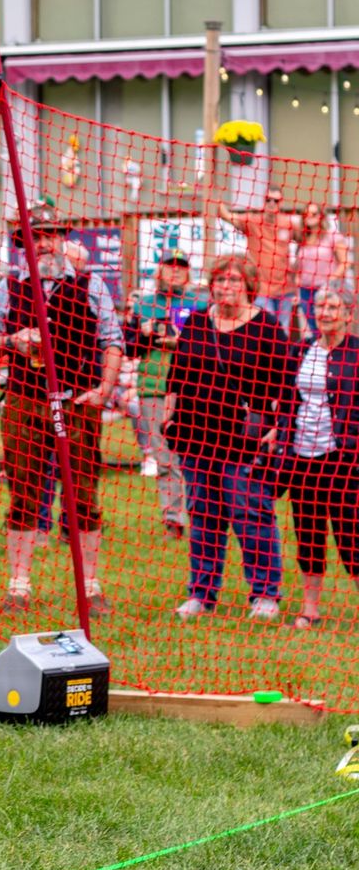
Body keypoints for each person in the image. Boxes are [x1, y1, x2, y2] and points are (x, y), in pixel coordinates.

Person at [0, 205, 122, 618]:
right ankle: (18, 586)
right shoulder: (9, 287)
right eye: (36, 237)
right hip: (24, 400)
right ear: (25, 244)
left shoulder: (92, 285)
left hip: (77, 401)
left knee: (84, 498)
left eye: (52, 235)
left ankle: (90, 588)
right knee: (22, 494)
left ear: (64, 239)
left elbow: (113, 341)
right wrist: (13, 339)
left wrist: (104, 390)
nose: (44, 244)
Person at [164, 253, 294, 620]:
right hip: (195, 436)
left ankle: (265, 594)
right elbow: (177, 375)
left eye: (234, 280)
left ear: (249, 286)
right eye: (221, 280)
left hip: (244, 441)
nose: (226, 287)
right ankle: (201, 595)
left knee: (250, 513)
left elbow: (286, 385)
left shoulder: (267, 327)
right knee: (202, 515)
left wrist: (276, 426)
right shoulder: (196, 324)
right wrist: (170, 417)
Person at [282, 281, 359, 629]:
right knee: (308, 531)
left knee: (350, 533)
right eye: (321, 307)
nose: (325, 313)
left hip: (343, 457)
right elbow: (287, 398)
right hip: (303, 454)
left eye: (333, 307)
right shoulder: (302, 349)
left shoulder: (356, 353)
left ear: (348, 313)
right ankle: (310, 608)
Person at [122, 248, 202, 538]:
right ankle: (174, 519)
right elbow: (128, 348)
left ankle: (203, 516)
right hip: (154, 386)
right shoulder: (144, 304)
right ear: (160, 270)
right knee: (166, 457)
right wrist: (142, 335)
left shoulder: (201, 303)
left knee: (196, 457)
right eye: (171, 266)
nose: (176, 271)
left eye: (181, 266)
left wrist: (183, 341)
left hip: (194, 387)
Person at [219, 187, 299, 334]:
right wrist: (215, 191)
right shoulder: (252, 221)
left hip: (285, 289)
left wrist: (296, 268)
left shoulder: (289, 224)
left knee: (283, 331)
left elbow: (307, 241)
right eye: (268, 200)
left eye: (276, 201)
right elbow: (225, 215)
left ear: (281, 203)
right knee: (266, 330)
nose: (271, 204)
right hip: (262, 290)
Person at [294, 203, 349, 338]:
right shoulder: (302, 239)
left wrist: (330, 282)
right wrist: (297, 286)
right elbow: (299, 268)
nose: (310, 217)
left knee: (330, 328)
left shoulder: (332, 237)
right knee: (314, 330)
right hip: (306, 291)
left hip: (326, 291)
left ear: (321, 217)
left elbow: (345, 263)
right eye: (306, 214)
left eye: (314, 214)